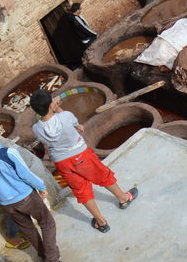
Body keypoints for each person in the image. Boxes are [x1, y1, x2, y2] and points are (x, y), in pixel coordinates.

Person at [0, 114, 71, 262]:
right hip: (25, 196)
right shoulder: (9, 153)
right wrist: (41, 186)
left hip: (6, 203)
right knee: (47, 224)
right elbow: (25, 175)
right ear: (0, 128)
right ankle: (53, 261)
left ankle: (44, 258)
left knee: (29, 230)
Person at [30, 90, 137, 234]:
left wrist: (52, 108)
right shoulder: (65, 117)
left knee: (81, 190)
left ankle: (101, 222)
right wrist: (59, 108)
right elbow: (73, 122)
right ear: (50, 105)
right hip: (80, 155)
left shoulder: (36, 129)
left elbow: (56, 124)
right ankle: (123, 198)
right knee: (102, 175)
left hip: (61, 162)